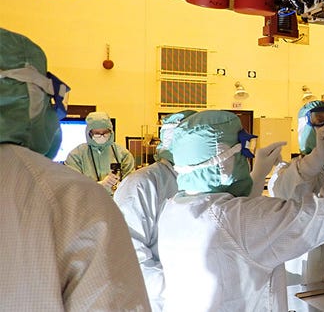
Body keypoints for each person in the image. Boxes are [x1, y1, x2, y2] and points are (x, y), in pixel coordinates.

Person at [158, 109, 324, 312]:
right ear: (222, 159)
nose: (245, 158)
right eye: (242, 151)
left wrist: (258, 176)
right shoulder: (236, 218)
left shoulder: (176, 209)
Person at [0, 27, 150, 310]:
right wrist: (98, 187)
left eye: (105, 131)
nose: (101, 136)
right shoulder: (70, 197)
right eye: (96, 132)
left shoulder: (119, 156)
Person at [113, 109, 197, 312]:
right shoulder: (142, 185)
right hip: (159, 302)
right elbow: (131, 261)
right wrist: (189, 289)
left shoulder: (199, 184)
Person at [267, 100, 324, 285]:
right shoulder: (285, 173)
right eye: (319, 119)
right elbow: (294, 190)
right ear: (304, 127)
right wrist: (318, 155)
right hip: (301, 280)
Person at [65, 111, 136, 194]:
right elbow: (73, 187)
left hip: (116, 204)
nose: (102, 136)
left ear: (111, 132)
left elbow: (131, 184)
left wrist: (120, 187)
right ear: (89, 133)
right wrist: (100, 185)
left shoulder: (123, 154)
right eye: (97, 133)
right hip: (88, 203)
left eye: (105, 133)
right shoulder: (76, 155)